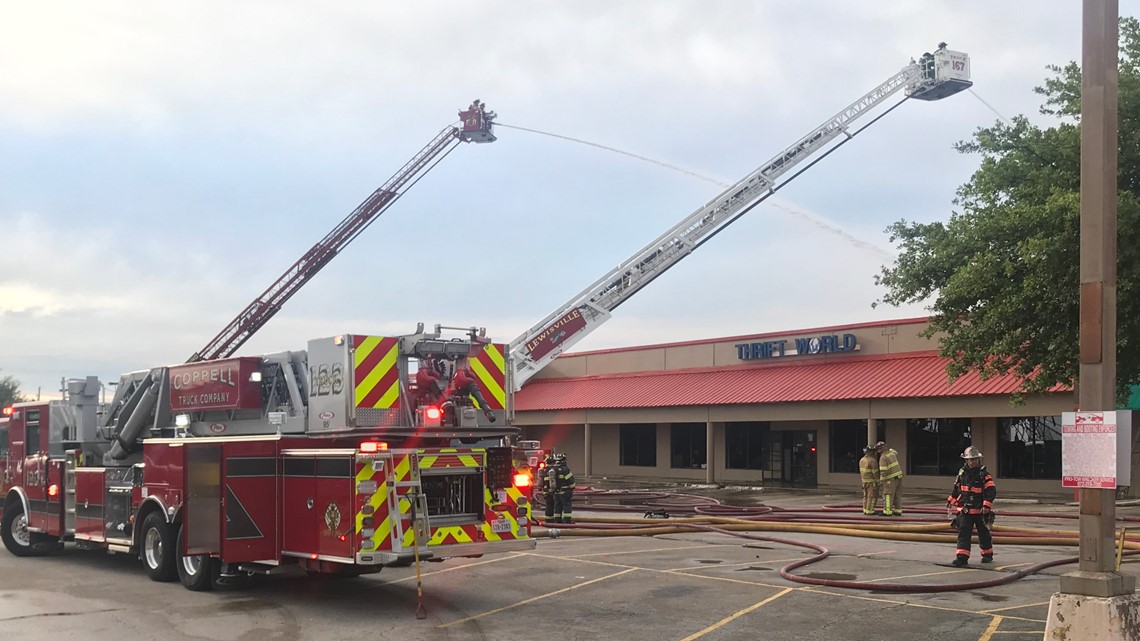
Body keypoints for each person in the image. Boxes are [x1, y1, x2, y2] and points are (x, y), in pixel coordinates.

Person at [948, 446, 996, 567]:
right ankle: (962, 558)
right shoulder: (962, 473)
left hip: (980, 511)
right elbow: (957, 489)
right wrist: (951, 500)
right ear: (966, 460)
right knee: (963, 533)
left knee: (984, 533)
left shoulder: (984, 474)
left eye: (975, 459)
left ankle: (987, 554)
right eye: (971, 459)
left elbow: (991, 491)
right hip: (965, 511)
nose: (973, 461)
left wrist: (986, 506)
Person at [877, 441, 903, 516]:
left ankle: (887, 511)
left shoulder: (883, 458)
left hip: (890, 479)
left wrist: (881, 481)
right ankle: (898, 510)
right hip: (898, 477)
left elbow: (883, 471)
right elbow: (895, 452)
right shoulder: (891, 453)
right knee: (897, 495)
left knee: (888, 494)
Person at [552, 453, 576, 524]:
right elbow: (570, 480)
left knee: (557, 506)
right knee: (566, 506)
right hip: (565, 492)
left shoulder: (554, 469)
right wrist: (572, 487)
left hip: (556, 492)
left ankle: (557, 520)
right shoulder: (565, 469)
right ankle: (567, 520)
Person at [858, 445, 881, 515]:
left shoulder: (862, 460)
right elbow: (875, 473)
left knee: (866, 496)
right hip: (871, 482)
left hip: (864, 481)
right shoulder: (872, 461)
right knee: (872, 496)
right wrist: (878, 482)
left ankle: (865, 509)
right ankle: (870, 510)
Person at [537, 453, 557, 525]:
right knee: (554, 505)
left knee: (548, 505)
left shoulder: (544, 470)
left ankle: (548, 519)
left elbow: (541, 482)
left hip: (545, 491)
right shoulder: (553, 470)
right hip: (552, 491)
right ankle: (553, 520)